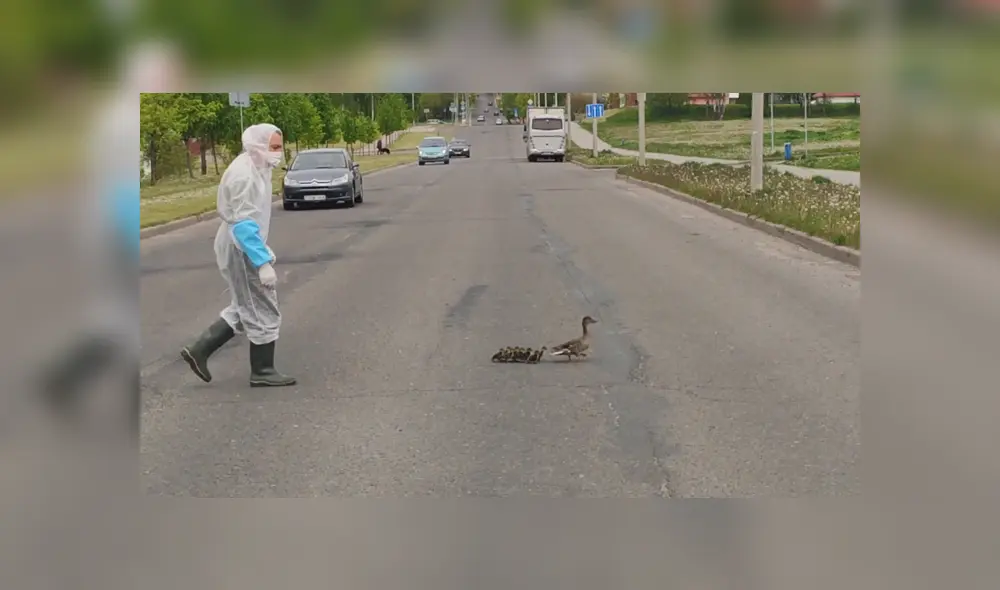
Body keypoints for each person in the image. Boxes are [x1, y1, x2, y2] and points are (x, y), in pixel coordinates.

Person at [180, 123, 296, 388]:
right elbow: (244, 224)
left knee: (246, 304)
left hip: (242, 243)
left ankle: (200, 350)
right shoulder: (244, 175)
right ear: (258, 145)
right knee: (263, 306)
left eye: (279, 146)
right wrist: (262, 262)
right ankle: (263, 370)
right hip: (242, 246)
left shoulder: (257, 167)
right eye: (274, 147)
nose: (278, 152)